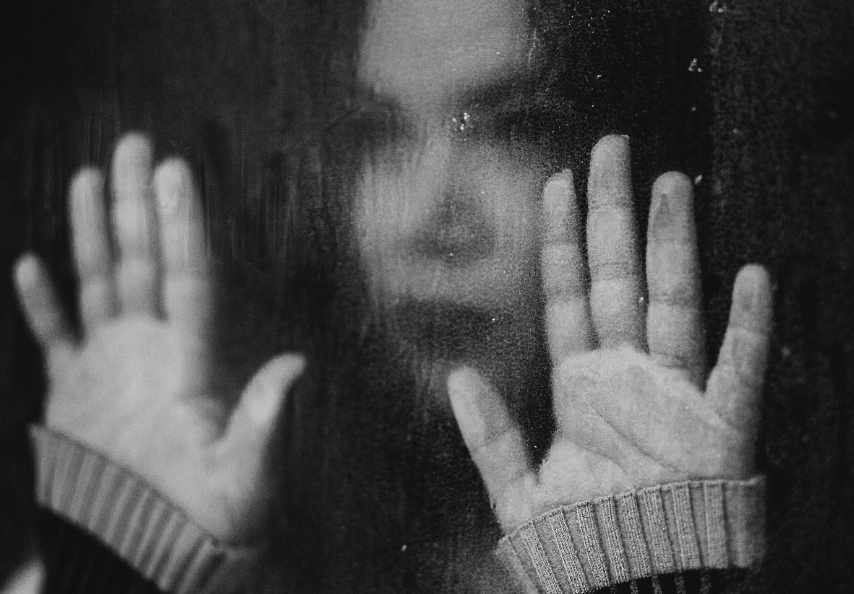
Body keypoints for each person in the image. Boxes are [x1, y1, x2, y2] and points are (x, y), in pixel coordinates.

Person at [10, 0, 773, 592]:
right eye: (378, 134)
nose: (430, 219)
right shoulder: (259, 528)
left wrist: (652, 571)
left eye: (516, 128)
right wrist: (114, 570)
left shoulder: (788, 531)